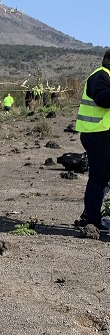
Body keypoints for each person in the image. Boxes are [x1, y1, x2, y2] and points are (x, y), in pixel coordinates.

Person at [75, 49, 110, 231]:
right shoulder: (100, 76)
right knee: (99, 178)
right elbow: (103, 99)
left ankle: (92, 217)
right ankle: (91, 219)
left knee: (102, 178)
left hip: (102, 134)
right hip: (98, 135)